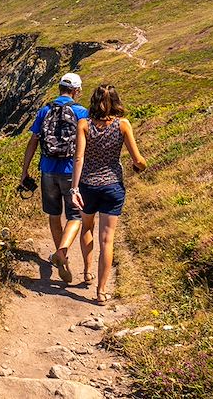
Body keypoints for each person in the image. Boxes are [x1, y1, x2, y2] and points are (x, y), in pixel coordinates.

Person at [51, 84, 147, 305]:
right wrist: (142, 166)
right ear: (116, 101)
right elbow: (137, 160)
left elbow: (79, 158)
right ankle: (101, 291)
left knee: (86, 227)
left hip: (87, 186)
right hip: (112, 186)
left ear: (93, 101)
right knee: (107, 239)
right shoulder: (123, 125)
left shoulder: (84, 124)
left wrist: (74, 188)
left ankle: (86, 270)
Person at [21, 72, 89, 283]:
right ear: (76, 91)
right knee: (76, 216)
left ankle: (64, 259)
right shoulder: (81, 112)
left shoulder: (45, 110)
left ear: (59, 88)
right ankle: (62, 252)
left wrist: (25, 171)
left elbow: (33, 141)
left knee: (53, 214)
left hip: (47, 170)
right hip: (72, 172)